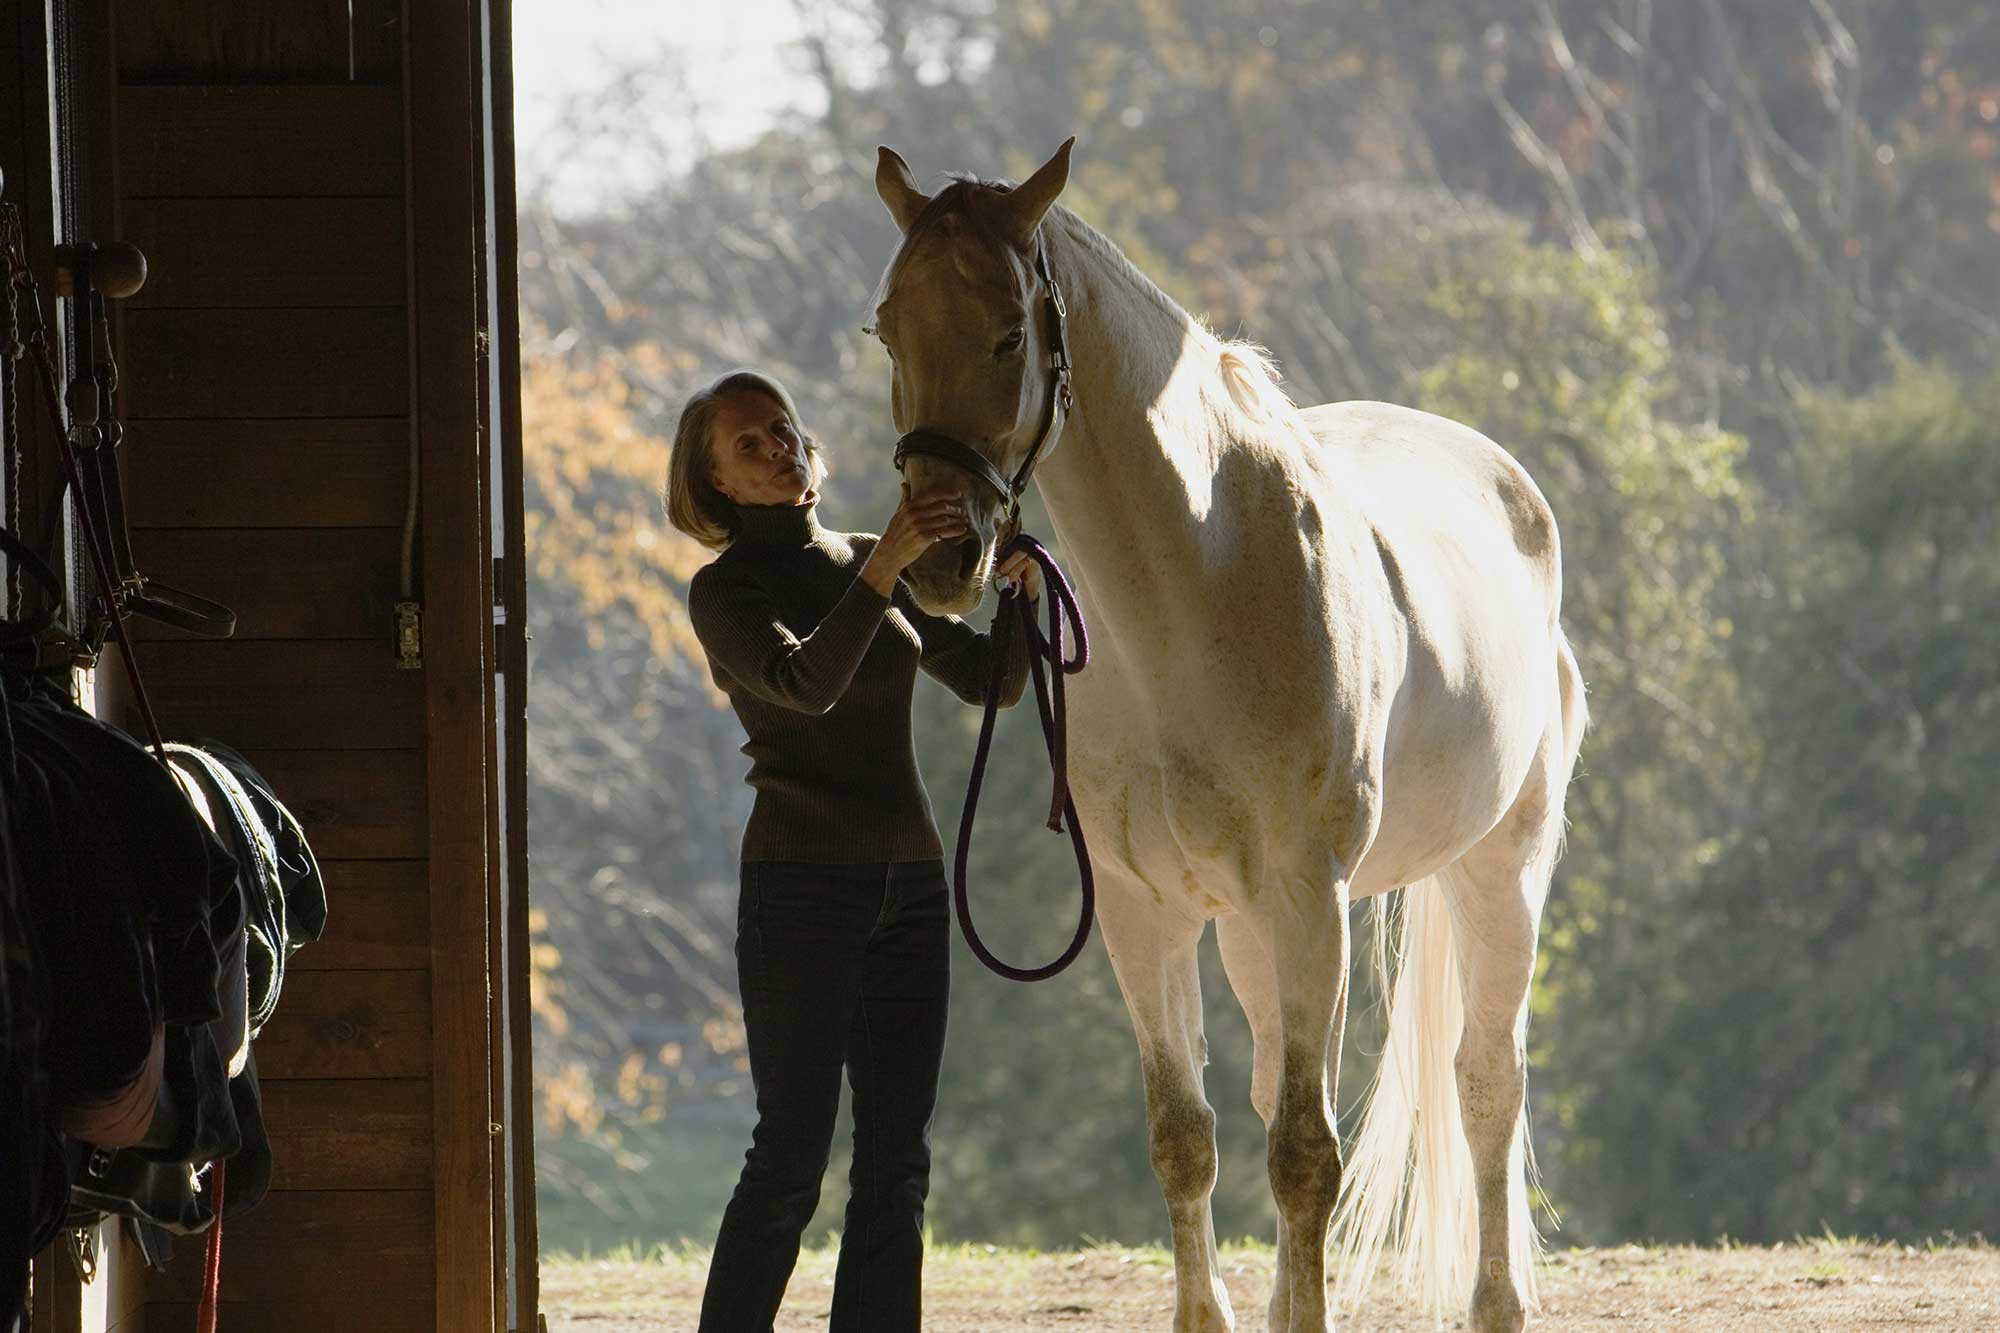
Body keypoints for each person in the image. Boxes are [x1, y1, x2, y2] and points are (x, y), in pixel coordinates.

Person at [664, 369, 1040, 1332]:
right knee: (791, 1157)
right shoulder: (726, 591)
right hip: (799, 893)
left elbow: (989, 682)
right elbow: (804, 682)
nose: (779, 446)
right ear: (715, 486)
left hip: (910, 889)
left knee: (897, 1158)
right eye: (749, 444)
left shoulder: (874, 556)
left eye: (782, 428)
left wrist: (1023, 596)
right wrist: (883, 575)